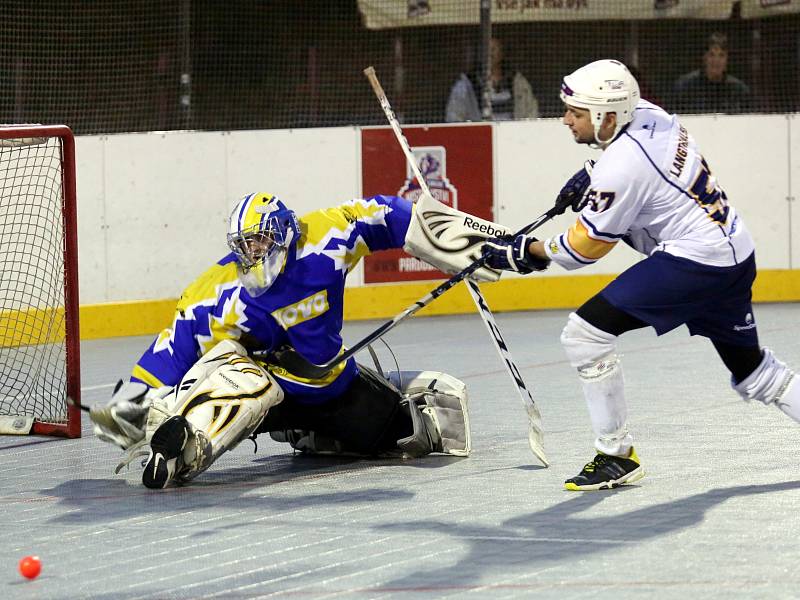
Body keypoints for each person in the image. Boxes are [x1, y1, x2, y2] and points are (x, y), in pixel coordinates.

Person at [482, 59, 800, 491]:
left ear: (606, 117)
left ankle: (616, 455)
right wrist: (593, 173)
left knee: (584, 334)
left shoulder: (624, 167)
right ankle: (617, 456)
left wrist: (527, 252)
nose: (566, 119)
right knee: (754, 372)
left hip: (698, 263)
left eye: (576, 113)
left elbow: (582, 250)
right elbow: (633, 173)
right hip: (733, 254)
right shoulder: (651, 114)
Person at [90, 191, 493, 489]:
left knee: (396, 430)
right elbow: (171, 349)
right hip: (270, 397)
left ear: (283, 232)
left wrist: (479, 244)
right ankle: (183, 450)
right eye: (244, 246)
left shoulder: (327, 235)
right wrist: (131, 403)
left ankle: (320, 431)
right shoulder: (215, 292)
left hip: (331, 385)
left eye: (259, 241)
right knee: (237, 370)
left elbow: (391, 215)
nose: (252, 253)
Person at [445, 37, 538, 122]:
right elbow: (453, 118)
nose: (490, 53)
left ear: (502, 53)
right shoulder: (465, 85)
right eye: (486, 49)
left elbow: (531, 112)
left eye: (493, 49)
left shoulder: (518, 82)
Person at [672, 32, 751, 114]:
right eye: (712, 54)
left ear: (727, 59)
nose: (716, 60)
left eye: (721, 55)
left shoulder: (739, 90)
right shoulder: (684, 87)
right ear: (705, 57)